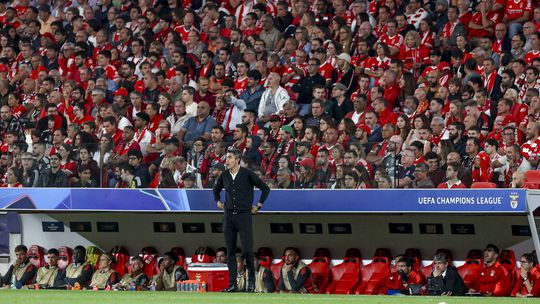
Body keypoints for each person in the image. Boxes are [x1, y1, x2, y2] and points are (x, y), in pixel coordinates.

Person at [213, 149, 270, 292]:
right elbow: (216, 189)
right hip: (228, 217)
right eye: (226, 158)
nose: (227, 160)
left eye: (230, 157)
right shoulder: (225, 175)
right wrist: (218, 201)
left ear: (237, 159)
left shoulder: (247, 174)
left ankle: (250, 281)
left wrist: (259, 205)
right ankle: (232, 284)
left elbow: (265, 188)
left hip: (244, 216)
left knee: (247, 251)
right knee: (230, 251)